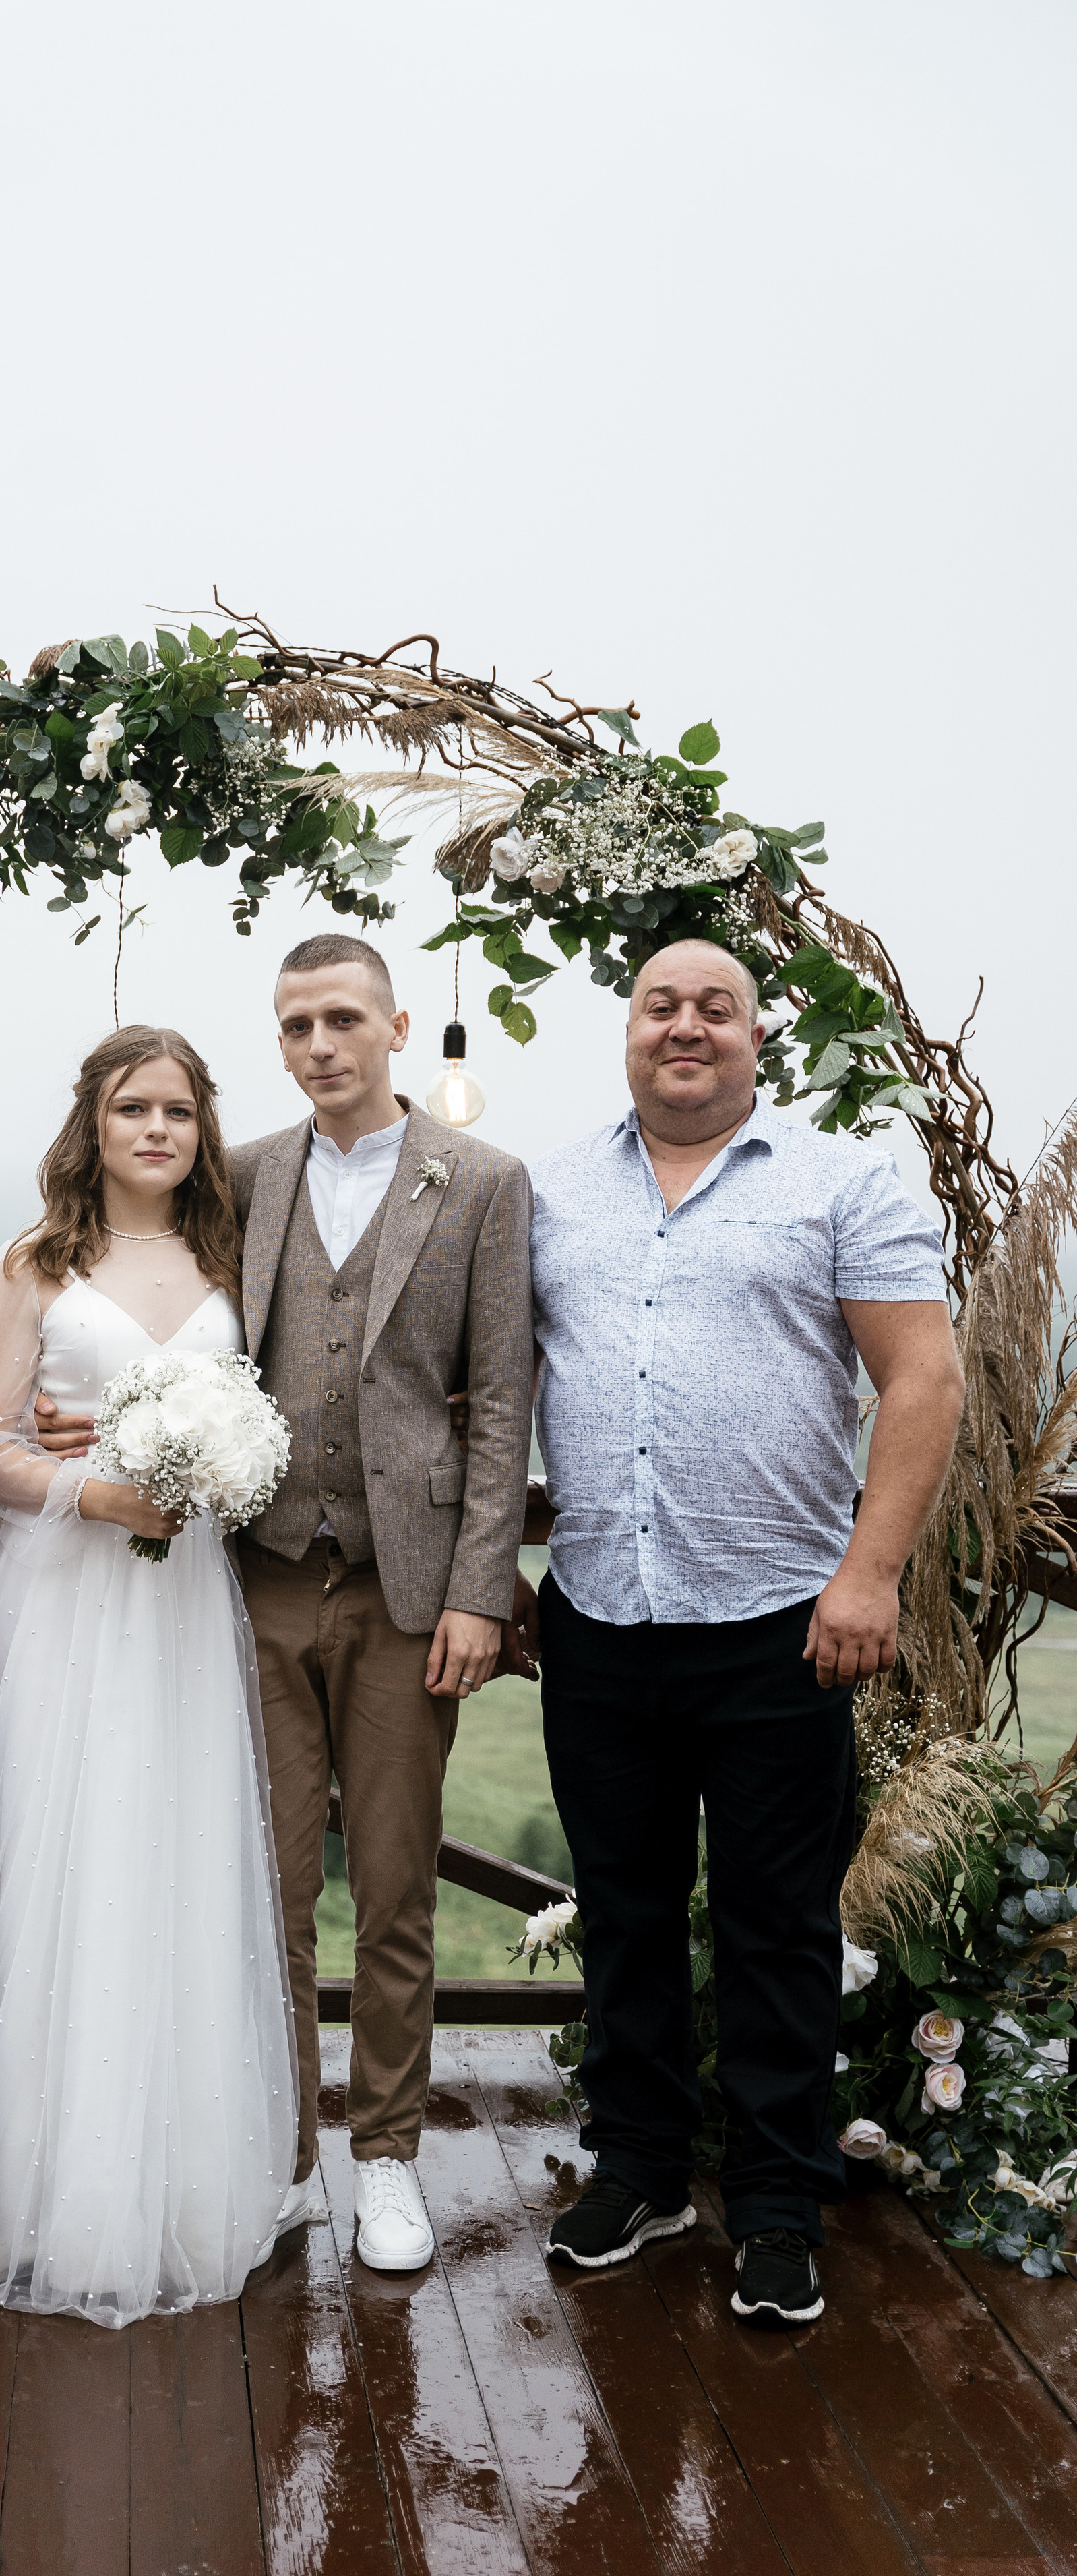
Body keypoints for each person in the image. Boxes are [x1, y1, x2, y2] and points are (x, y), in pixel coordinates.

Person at [38, 938, 535, 2273]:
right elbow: (152, 1327)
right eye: (292, 1026)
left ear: (392, 1026)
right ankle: (274, 2154)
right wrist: (80, 1431)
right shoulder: (244, 1176)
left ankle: (384, 2159)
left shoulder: (481, 1181)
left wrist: (479, 1595)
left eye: (339, 1021)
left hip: (402, 1591)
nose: (316, 1044)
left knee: (391, 1888)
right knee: (252, 1886)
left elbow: (497, 1401)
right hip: (244, 1584)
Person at [512, 938, 964, 2329]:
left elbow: (921, 1378)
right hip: (594, 1613)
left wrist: (869, 1574)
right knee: (625, 1915)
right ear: (627, 1032)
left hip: (782, 1624)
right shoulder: (549, 1193)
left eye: (715, 1007)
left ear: (756, 1037)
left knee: (775, 1929)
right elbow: (488, 1384)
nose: (686, 1027)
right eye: (661, 1006)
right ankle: (639, 2169)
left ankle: (774, 2203)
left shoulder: (838, 1180)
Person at [0, 1025, 296, 2329]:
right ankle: (53, 2187)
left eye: (178, 1112)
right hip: (65, 1599)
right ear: (90, 1123)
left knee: (174, 1865)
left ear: (204, 1130)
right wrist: (95, 1492)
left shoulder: (230, 1262)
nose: (156, 1130)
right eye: (131, 1108)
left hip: (187, 1608)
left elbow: (255, 1412)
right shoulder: (37, 1262)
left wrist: (206, 1471)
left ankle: (185, 2182)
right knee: (66, 1862)